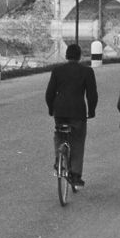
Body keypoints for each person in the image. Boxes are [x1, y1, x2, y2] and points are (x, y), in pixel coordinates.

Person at [45, 43, 98, 188]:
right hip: (77, 111)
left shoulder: (57, 71)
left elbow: (49, 93)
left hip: (60, 110)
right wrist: (92, 110)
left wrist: (51, 109)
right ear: (80, 56)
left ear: (67, 55)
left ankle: (58, 160)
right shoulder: (87, 71)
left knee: (59, 133)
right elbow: (92, 94)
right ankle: (75, 174)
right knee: (78, 140)